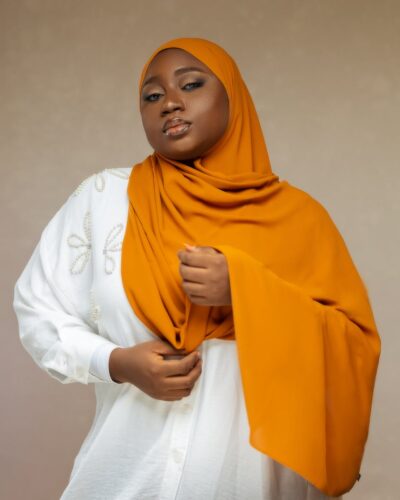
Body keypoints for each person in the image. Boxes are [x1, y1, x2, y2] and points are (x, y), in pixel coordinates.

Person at [13, 37, 380, 500]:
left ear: (234, 97)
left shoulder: (301, 220)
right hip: (123, 476)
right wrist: (116, 363)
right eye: (151, 96)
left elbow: (353, 346)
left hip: (250, 484)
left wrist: (245, 287)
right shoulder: (103, 200)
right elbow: (37, 309)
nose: (170, 102)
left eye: (191, 84)